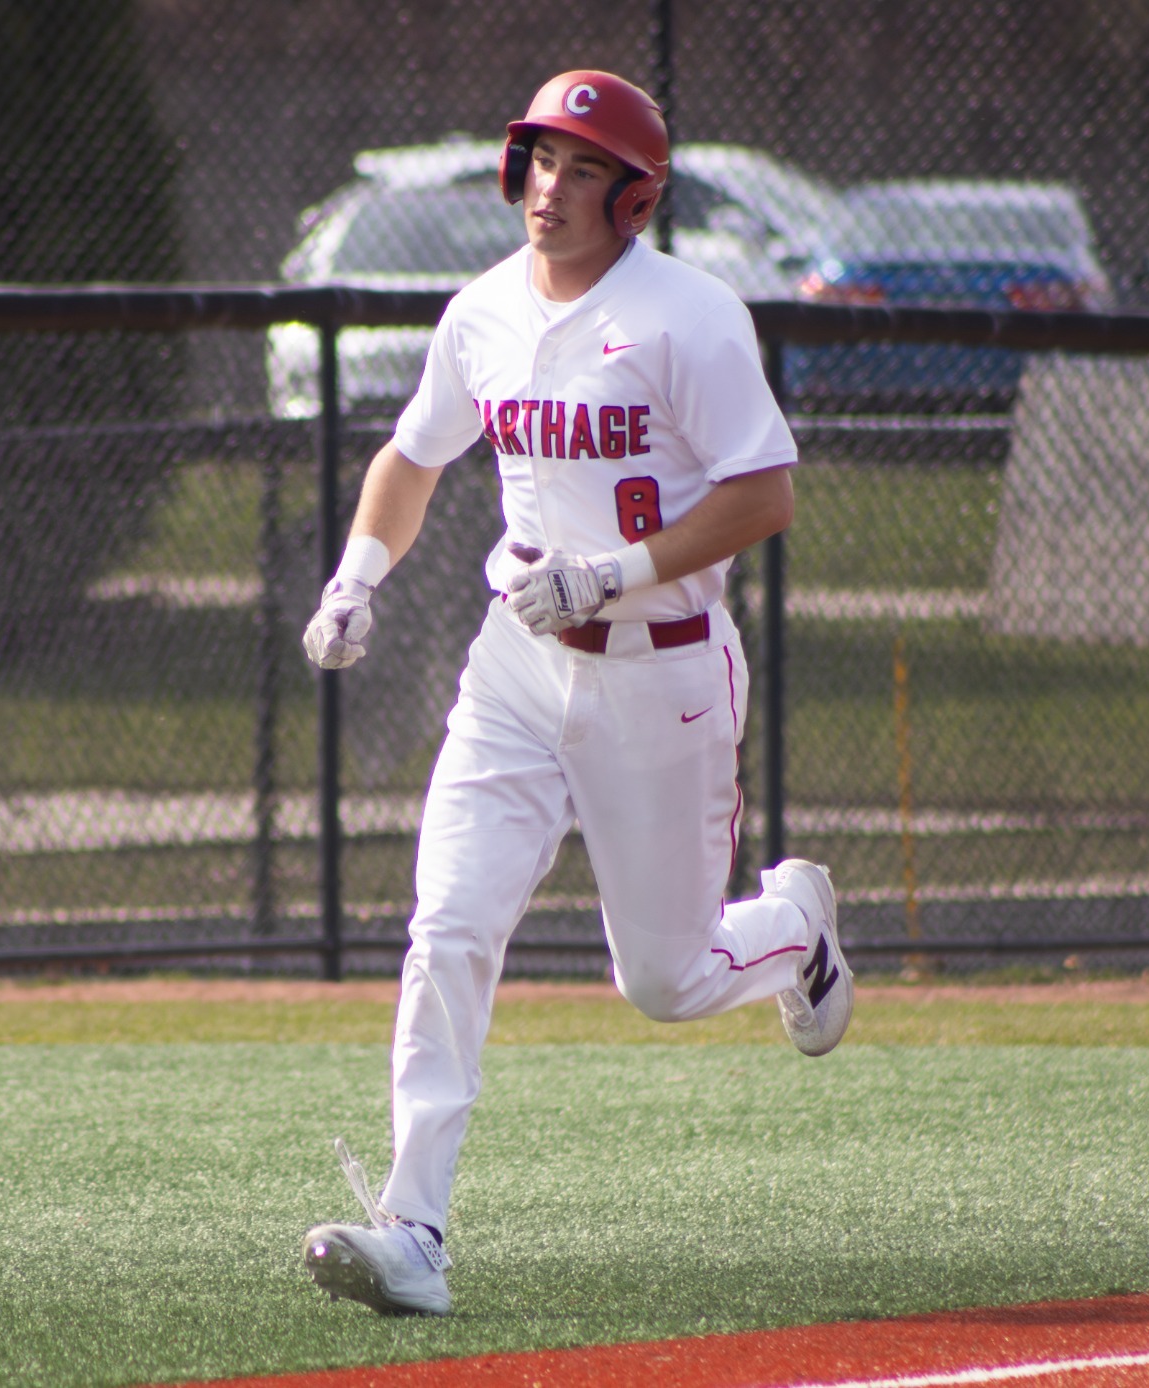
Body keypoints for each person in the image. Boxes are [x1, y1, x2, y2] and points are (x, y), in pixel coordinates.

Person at [298, 69, 852, 1318]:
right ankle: (414, 1227)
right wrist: (355, 575)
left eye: (584, 167)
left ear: (633, 195)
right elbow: (411, 453)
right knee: (447, 925)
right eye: (542, 158)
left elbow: (764, 492)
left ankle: (794, 927)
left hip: (660, 674)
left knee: (663, 981)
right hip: (513, 665)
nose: (553, 186)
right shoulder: (481, 310)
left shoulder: (687, 315)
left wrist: (615, 568)